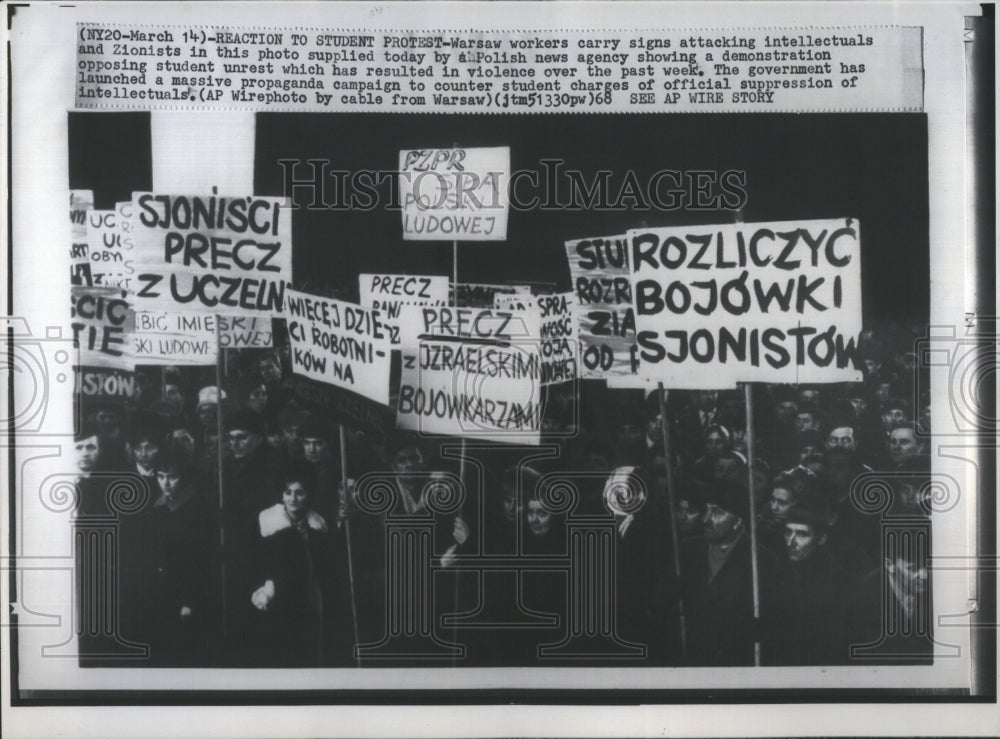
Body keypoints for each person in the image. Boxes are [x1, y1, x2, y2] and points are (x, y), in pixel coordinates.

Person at [250, 465, 353, 666]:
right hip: (281, 594)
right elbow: (259, 563)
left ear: (308, 496)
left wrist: (340, 522)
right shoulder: (269, 526)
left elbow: (329, 559)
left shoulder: (318, 525)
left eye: (299, 493)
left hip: (312, 593)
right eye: (288, 493)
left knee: (313, 645)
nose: (293, 499)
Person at [133, 448, 217, 665]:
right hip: (160, 595)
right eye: (160, 477)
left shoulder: (198, 509)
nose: (165, 483)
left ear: (184, 476)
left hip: (188, 597)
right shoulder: (156, 507)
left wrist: (189, 601)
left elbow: (201, 562)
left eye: (172, 477)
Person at [681, 481, 768, 666]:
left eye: (718, 513)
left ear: (738, 521)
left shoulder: (761, 561)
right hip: (695, 659)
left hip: (737, 662)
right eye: (707, 511)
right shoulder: (687, 551)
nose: (706, 519)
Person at [760, 494, 850, 665]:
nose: (791, 542)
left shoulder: (836, 580)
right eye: (788, 532)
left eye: (802, 534)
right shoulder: (773, 570)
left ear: (821, 539)